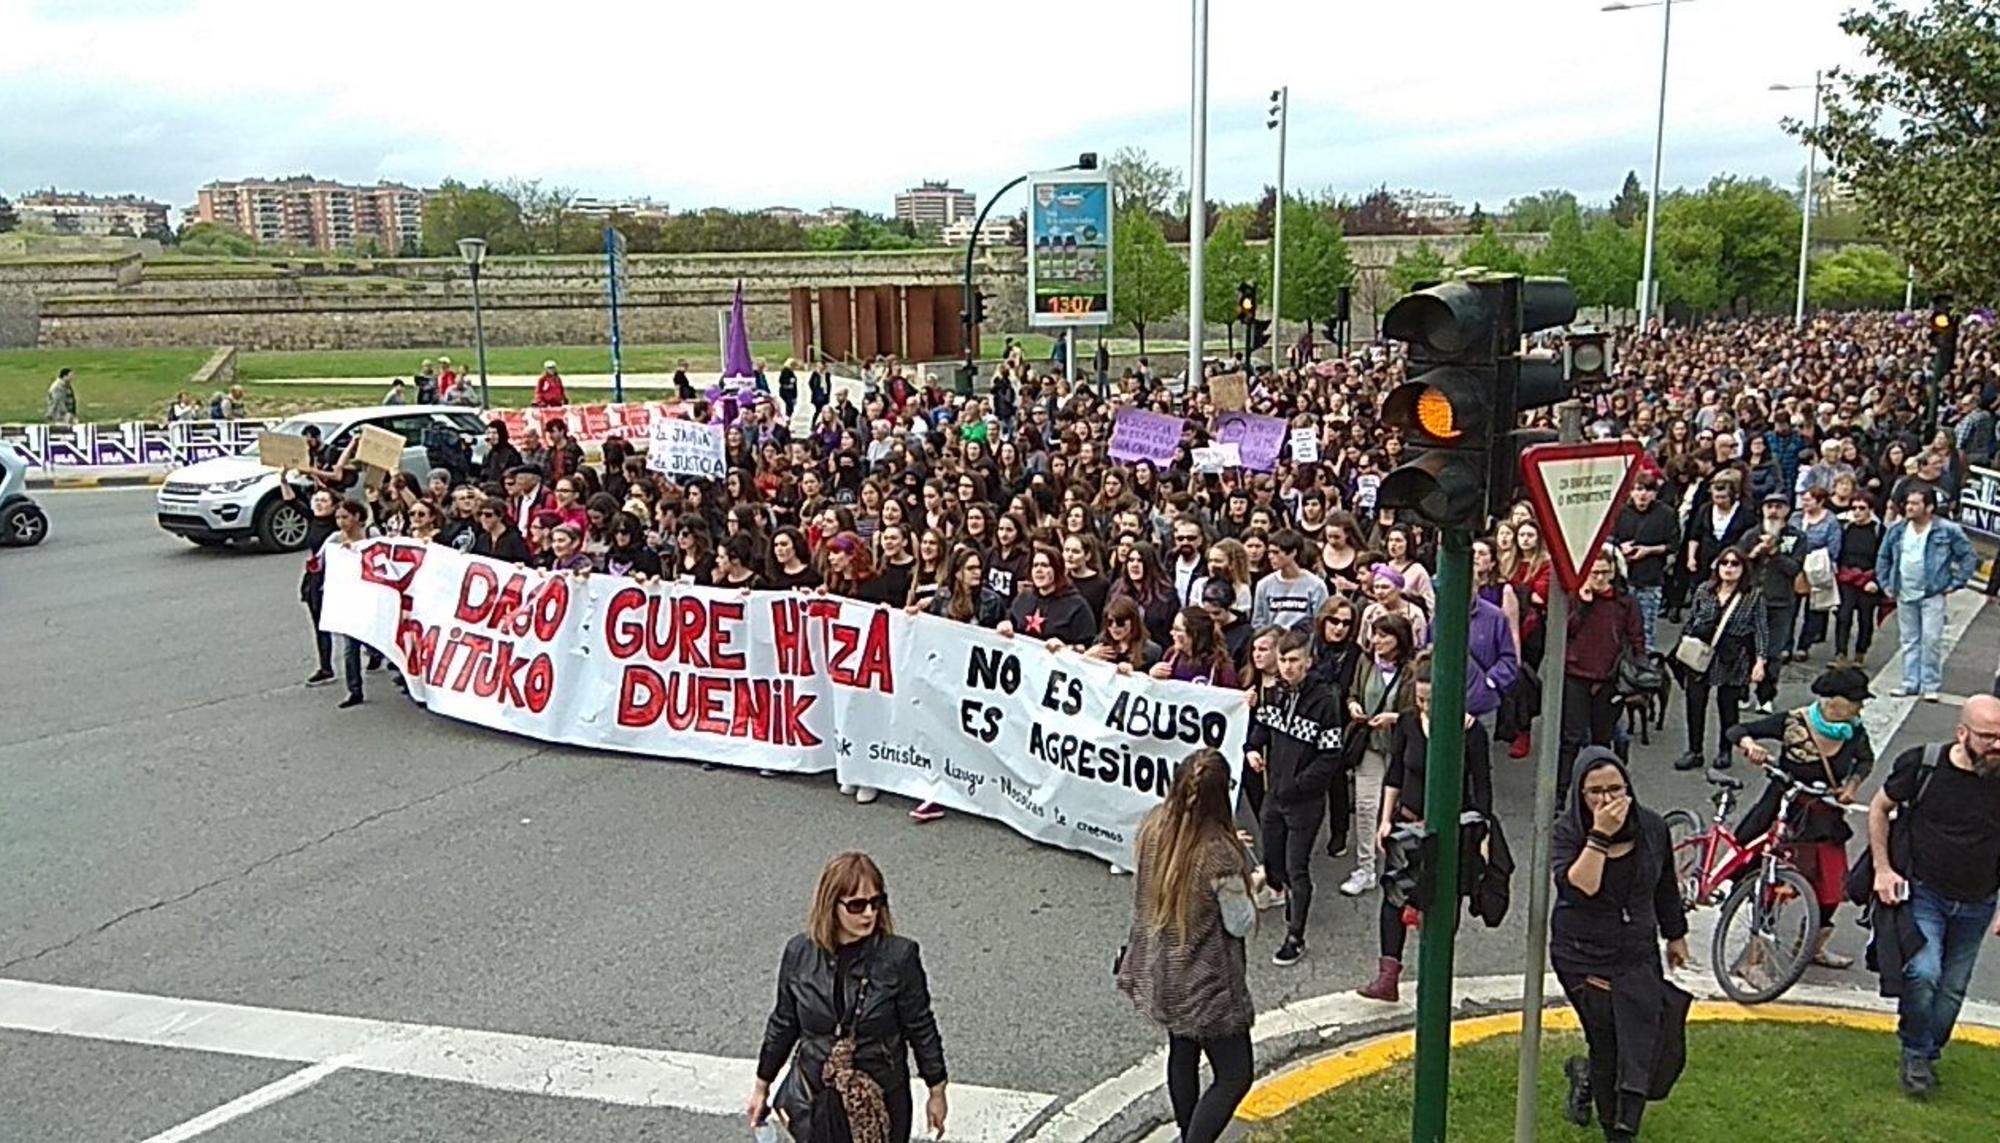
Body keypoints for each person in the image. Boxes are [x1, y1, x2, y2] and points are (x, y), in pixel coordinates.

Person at [751, 852, 948, 1143]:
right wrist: (761, 1086)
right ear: (831, 905)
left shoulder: (899, 957)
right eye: (857, 905)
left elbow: (921, 1026)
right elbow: (784, 1022)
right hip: (816, 1095)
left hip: (881, 1096)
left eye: (876, 902)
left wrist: (937, 1091)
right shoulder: (799, 953)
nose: (869, 913)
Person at [1114, 749, 1256, 1143]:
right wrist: (1251, 881)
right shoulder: (1219, 855)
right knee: (1234, 1074)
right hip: (1207, 984)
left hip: (1161, 968)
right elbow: (1239, 921)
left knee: (1183, 1049)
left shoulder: (1153, 827)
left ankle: (1185, 1130)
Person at [1551, 747, 1692, 1143]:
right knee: (1608, 1042)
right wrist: (1599, 836)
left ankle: (1598, 1090)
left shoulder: (1651, 827)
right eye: (1594, 791)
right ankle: (1619, 1130)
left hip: (1636, 951)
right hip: (1584, 956)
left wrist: (1675, 933)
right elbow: (1583, 887)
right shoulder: (1568, 833)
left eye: (1615, 788)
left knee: (1646, 1040)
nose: (1606, 799)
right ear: (1580, 796)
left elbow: (1664, 884)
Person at [1866, 694, 2000, 1098]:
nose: (1997, 746)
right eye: (1988, 737)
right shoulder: (1922, 764)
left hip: (1979, 901)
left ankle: (1927, 1049)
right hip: (1924, 893)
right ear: (1962, 733)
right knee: (1924, 973)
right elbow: (1878, 808)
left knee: (1953, 988)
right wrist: (1883, 869)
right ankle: (1915, 1053)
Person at [1356, 653, 1493, 1002]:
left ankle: (1436, 975)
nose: (1425, 706)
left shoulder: (1471, 732)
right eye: (1420, 699)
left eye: (1431, 700)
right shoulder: (1407, 722)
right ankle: (1388, 975)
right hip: (1408, 820)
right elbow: (1397, 772)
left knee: (1445, 901)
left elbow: (1482, 789)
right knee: (1394, 896)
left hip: (1451, 828)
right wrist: (1385, 820)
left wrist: (1481, 836)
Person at [1726, 666, 1875, 975]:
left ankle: (1812, 946)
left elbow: (1865, 759)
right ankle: (1754, 960)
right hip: (1784, 810)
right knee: (1771, 886)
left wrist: (1851, 786)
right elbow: (1737, 730)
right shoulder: (1794, 722)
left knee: (1833, 886)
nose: (1860, 707)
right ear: (1833, 701)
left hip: (1824, 818)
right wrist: (1750, 746)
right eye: (1855, 701)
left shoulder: (1854, 730)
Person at [1246, 629, 1344, 966]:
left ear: (1308, 661)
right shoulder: (1275, 694)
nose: (1287, 667)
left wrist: (1298, 785)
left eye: (1294, 661)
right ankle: (1280, 891)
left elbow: (1331, 757)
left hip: (1305, 801)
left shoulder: (1325, 701)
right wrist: (1253, 748)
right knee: (1272, 860)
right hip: (1274, 795)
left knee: (1296, 867)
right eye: (1283, 660)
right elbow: (1262, 726)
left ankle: (1295, 935)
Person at [1874, 484, 1978, 700]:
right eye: (1908, 503)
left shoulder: (1947, 530)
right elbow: (1883, 557)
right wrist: (1886, 583)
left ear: (1929, 507)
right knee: (1909, 639)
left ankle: (1930, 685)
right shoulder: (1898, 529)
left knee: (1931, 640)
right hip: (1904, 591)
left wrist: (1956, 582)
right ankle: (1910, 682)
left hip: (1932, 593)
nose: (1909, 507)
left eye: (1915, 503)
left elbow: (1968, 556)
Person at [1557, 551, 1643, 807]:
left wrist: (1639, 671)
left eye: (1605, 572)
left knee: (1602, 740)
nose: (1599, 578)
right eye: (1594, 573)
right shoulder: (1575, 597)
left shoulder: (1625, 602)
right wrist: (1583, 604)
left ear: (1613, 572)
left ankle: (1601, 794)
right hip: (1576, 674)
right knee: (1570, 740)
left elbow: (1636, 638)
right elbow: (1565, 630)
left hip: (1609, 678)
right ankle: (1561, 795)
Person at [1343, 613, 1418, 899]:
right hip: (1370, 744)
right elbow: (1352, 693)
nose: (1377, 641)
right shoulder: (1365, 663)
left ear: (1399, 640)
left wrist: (1395, 717)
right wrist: (1353, 707)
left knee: (1399, 809)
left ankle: (1400, 865)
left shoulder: (1411, 670)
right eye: (1375, 634)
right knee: (1365, 806)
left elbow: (1416, 711)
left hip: (1399, 747)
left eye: (1385, 636)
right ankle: (1365, 867)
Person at [1675, 547, 1768, 770]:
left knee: (1728, 706)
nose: (1729, 568)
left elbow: (1761, 630)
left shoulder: (1752, 596)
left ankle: (1725, 750)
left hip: (1733, 656)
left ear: (1743, 568)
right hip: (1701, 653)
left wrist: (1760, 661)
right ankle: (1694, 750)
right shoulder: (1704, 590)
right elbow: (1690, 622)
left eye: (1735, 564)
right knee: (1695, 702)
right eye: (1724, 563)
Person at [1746, 492, 1805, 710]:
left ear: (1787, 511)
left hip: (1780, 602)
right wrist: (1754, 553)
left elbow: (1794, 568)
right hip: (1751, 601)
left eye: (1778, 507)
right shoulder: (1752, 534)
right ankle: (1743, 691)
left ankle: (1766, 697)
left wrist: (1775, 553)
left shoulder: (1796, 537)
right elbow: (1735, 562)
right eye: (1769, 506)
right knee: (1746, 648)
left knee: (1772, 652)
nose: (1773, 511)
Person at [1612, 476, 1680, 655]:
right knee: (1617, 629)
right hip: (1622, 579)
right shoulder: (1620, 513)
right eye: (1638, 489)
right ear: (1631, 492)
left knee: (1646, 628)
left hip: (1650, 578)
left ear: (1655, 493)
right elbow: (1608, 540)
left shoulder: (1667, 514)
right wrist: (1620, 548)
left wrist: (1649, 550)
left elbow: (1673, 545)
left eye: (1648, 490)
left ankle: (1644, 668)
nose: (1643, 495)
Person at [1000, 544, 1096, 647]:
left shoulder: (1077, 605)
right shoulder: (1024, 597)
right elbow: (1010, 618)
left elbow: (1087, 645)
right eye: (1035, 565)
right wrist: (1006, 625)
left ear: (1057, 570)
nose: (1038, 570)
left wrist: (1066, 648)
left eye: (1044, 565)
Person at [1832, 492, 1884, 668]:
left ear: (1871, 510)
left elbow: (1884, 558)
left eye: (1862, 508)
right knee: (1843, 616)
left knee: (1865, 618)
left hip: (1868, 579)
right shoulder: (1846, 529)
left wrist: (1876, 581)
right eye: (1854, 508)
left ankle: (1860, 652)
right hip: (1847, 578)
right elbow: (1839, 554)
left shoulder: (1878, 531)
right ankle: (1840, 653)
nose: (1857, 512)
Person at [1253, 530, 1329, 632]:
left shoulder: (1316, 585)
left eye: (1276, 552)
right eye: (1269, 552)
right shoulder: (1264, 585)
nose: (1270, 557)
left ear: (1293, 552)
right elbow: (1258, 621)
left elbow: (1320, 621)